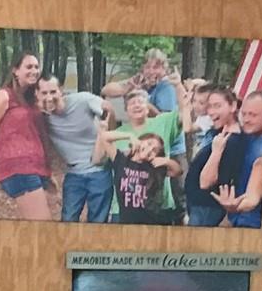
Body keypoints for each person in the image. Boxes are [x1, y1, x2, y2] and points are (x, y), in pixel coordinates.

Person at [96, 89, 183, 225]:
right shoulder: (121, 156)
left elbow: (177, 171)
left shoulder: (154, 164)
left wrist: (178, 85)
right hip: (122, 210)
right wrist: (129, 136)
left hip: (156, 211)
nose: (136, 105)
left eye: (141, 102)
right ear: (126, 110)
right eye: (132, 103)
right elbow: (103, 142)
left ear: (148, 108)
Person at [34, 76, 113, 223]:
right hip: (73, 173)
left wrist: (107, 133)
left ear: (61, 91)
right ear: (37, 94)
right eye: (44, 93)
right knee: (68, 219)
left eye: (53, 92)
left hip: (99, 170)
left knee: (98, 221)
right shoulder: (40, 116)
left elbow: (107, 107)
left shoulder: (82, 100)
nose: (49, 97)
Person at [0, 50, 53, 219]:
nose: (34, 70)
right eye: (28, 66)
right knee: (43, 225)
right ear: (15, 70)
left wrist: (48, 171)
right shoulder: (4, 96)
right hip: (17, 168)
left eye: (36, 66)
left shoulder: (31, 100)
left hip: (35, 168)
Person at [205, 89, 262, 228]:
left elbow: (252, 198)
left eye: (252, 115)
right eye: (244, 114)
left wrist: (236, 206)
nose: (246, 119)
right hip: (234, 220)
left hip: (254, 225)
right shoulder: (245, 138)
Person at [183, 84, 245, 227]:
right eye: (209, 106)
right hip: (198, 206)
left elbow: (206, 182)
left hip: (208, 208)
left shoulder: (233, 141)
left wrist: (216, 151)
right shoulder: (218, 132)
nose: (211, 111)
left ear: (233, 106)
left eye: (217, 106)